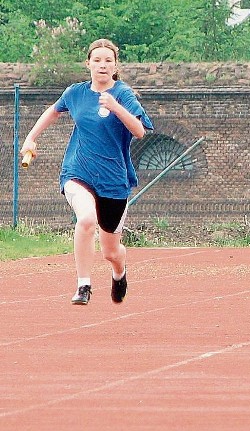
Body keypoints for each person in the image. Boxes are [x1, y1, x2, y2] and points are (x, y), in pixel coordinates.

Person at [20, 38, 153, 305]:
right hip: (78, 172)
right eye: (97, 60)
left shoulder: (123, 94)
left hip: (114, 180)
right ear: (88, 64)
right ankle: (83, 286)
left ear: (115, 66)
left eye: (108, 60)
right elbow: (53, 111)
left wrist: (116, 107)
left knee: (110, 251)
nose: (102, 65)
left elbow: (139, 132)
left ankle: (119, 272)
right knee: (86, 219)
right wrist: (30, 138)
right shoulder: (76, 93)